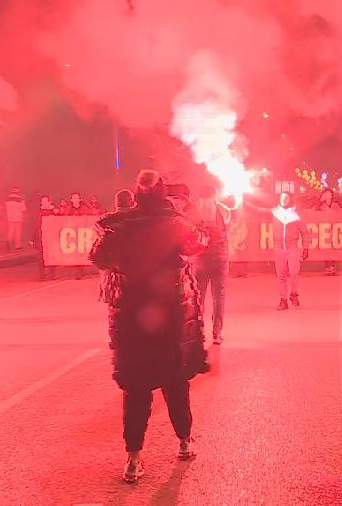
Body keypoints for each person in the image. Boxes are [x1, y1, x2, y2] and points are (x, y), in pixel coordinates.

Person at [89, 170, 207, 484]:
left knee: (136, 389)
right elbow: (198, 245)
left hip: (132, 319)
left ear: (137, 194)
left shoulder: (122, 227)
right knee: (175, 382)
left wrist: (107, 234)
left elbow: (98, 258)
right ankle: (184, 441)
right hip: (169, 317)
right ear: (162, 193)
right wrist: (195, 218)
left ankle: (133, 459)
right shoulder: (175, 224)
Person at [193, 185, 231, 345]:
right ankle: (217, 333)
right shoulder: (222, 210)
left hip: (200, 257)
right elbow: (228, 227)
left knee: (198, 297)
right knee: (218, 297)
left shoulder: (195, 210)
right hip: (219, 257)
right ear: (214, 195)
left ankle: (197, 331)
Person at [314, 189, 341, 276]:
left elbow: (339, 215)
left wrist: (328, 211)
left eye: (329, 194)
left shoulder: (335, 205)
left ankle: (332, 267)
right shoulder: (321, 206)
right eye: (325, 194)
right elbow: (314, 212)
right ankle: (327, 267)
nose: (327, 195)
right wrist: (320, 201)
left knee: (333, 249)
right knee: (325, 249)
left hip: (333, 229)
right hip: (324, 230)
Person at [35, 195, 57, 281]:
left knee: (51, 256)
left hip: (52, 237)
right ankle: (42, 275)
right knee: (40, 257)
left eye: (45, 201)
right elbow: (35, 225)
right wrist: (34, 238)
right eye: (42, 201)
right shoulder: (38, 212)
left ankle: (52, 274)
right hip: (41, 237)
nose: (43, 203)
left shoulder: (54, 212)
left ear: (49, 202)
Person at [4, 187, 27, 251]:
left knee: (10, 232)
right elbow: (23, 209)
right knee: (18, 232)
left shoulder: (7, 200)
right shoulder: (20, 200)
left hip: (10, 218)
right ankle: (18, 246)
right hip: (18, 218)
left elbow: (6, 209)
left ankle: (8, 243)